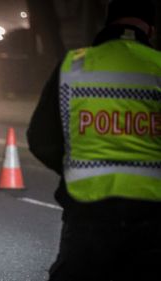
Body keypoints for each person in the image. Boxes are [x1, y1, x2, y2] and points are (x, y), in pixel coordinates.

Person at [27, 0, 161, 280]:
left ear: (108, 22)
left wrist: (75, 166)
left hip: (87, 217)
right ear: (150, 28)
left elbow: (41, 139)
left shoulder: (73, 65)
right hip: (152, 222)